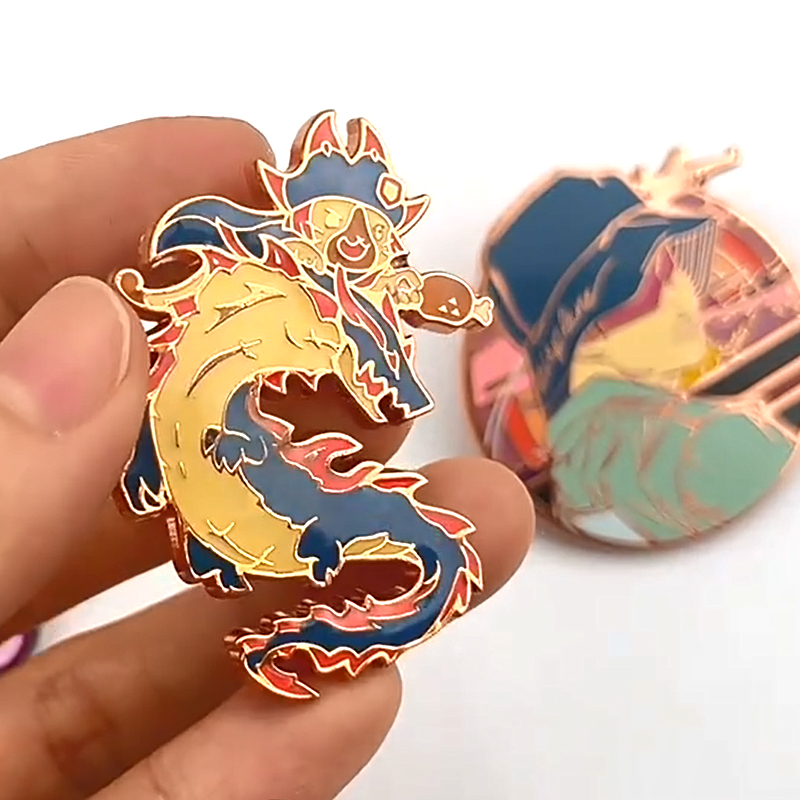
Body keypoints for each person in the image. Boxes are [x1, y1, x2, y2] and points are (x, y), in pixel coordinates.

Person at [0, 117, 533, 799]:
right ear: (305, 222)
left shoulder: (334, 300)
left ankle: (324, 631)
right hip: (220, 472)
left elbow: (380, 376)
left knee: (438, 551)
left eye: (374, 237)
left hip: (262, 489)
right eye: (347, 228)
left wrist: (409, 300)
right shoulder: (283, 288)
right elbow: (382, 375)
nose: (364, 247)